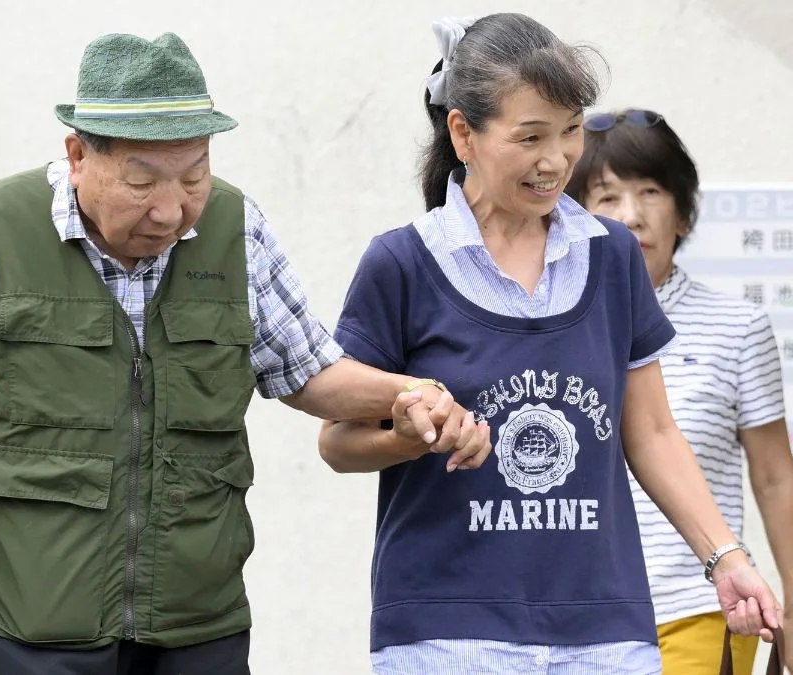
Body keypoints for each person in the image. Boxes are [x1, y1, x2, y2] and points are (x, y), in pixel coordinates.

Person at [0, 32, 490, 675]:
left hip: (198, 621)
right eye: (142, 181)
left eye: (194, 175)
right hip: (30, 622)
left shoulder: (234, 227)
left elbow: (309, 372)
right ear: (78, 154)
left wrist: (411, 394)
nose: (171, 211)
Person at [318, 13, 782, 674]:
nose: (557, 160)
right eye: (530, 136)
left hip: (605, 631)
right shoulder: (403, 264)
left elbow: (650, 432)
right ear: (463, 134)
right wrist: (410, 433)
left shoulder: (612, 257)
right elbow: (337, 439)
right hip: (449, 630)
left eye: (570, 132)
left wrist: (726, 556)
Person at [567, 109, 793, 673]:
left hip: (704, 610)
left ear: (684, 213)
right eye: (608, 197)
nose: (633, 216)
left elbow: (774, 476)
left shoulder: (738, 326)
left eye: (651, 192)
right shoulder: (555, 325)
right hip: (578, 618)